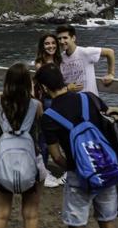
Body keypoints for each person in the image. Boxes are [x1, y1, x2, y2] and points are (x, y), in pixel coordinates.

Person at [35, 63, 118, 228]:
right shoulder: (89, 97)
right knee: (107, 220)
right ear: (62, 79)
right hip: (105, 166)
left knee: (76, 223)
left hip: (78, 173)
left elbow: (56, 156)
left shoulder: (49, 117)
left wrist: (73, 166)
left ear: (44, 87)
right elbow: (109, 122)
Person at [0, 63, 42, 228]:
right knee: (31, 214)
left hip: (2, 160)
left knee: (1, 213)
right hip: (31, 160)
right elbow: (38, 131)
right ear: (28, 82)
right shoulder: (36, 106)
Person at [34, 33, 66, 188]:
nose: (51, 46)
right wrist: (68, 88)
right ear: (42, 46)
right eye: (47, 43)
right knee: (45, 137)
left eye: (53, 43)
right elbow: (47, 87)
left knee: (63, 134)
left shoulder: (60, 60)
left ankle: (66, 169)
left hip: (61, 101)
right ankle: (44, 172)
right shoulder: (40, 64)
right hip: (48, 102)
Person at [56, 24, 115, 96]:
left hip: (89, 101)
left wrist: (111, 74)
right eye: (59, 39)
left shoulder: (85, 52)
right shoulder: (60, 58)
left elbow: (109, 52)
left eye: (65, 38)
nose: (62, 41)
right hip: (71, 100)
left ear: (73, 38)